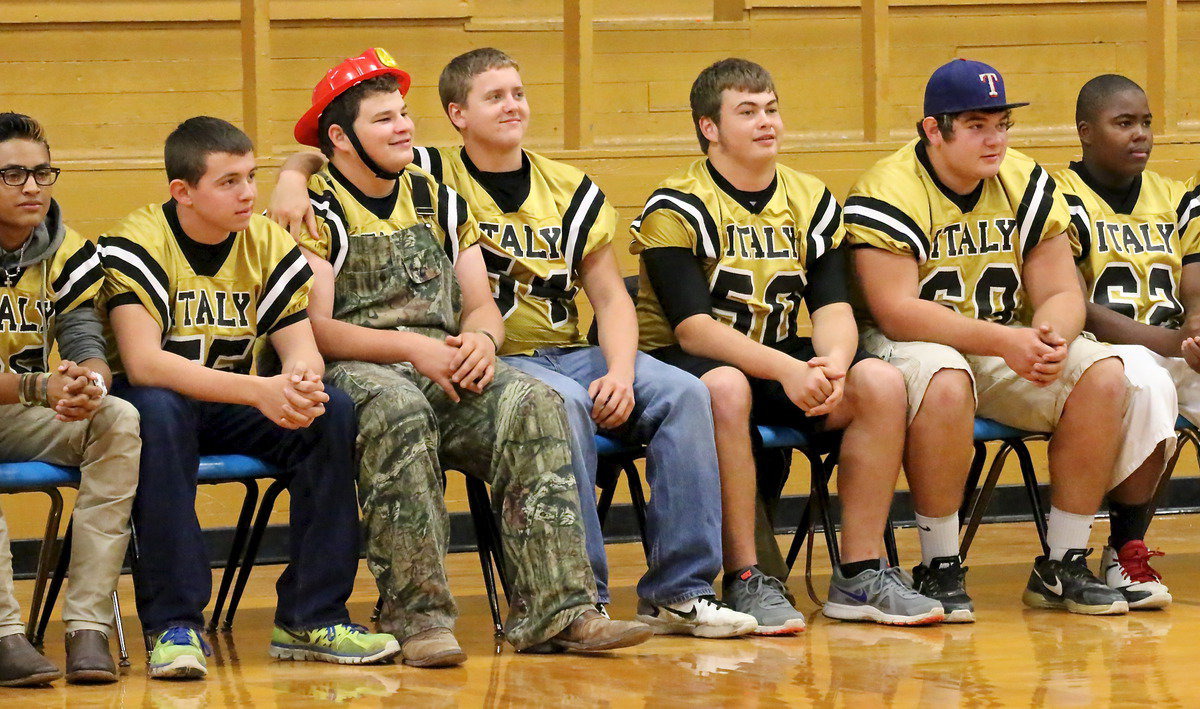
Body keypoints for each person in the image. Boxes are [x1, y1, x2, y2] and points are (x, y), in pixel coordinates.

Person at [270, 47, 753, 639]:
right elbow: (312, 323)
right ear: (458, 114)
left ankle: (578, 609)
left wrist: (480, 335)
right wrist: (293, 174)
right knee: (417, 408)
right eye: (386, 118)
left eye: (403, 113)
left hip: (481, 359)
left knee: (568, 401)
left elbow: (487, 304)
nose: (403, 125)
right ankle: (420, 619)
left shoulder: (439, 196)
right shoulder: (346, 197)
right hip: (368, 368)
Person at [846, 59, 1173, 619]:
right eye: (976, 125)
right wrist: (1005, 342)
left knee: (1101, 370)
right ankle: (939, 564)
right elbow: (897, 312)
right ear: (933, 129)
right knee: (946, 380)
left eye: (1001, 123)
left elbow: (1062, 292)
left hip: (1001, 344)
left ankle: (1063, 561)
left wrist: (1052, 336)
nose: (994, 138)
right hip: (911, 347)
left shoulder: (1026, 179)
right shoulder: (889, 186)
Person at [630, 58, 943, 629]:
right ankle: (746, 578)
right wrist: (789, 373)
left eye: (771, 109)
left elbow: (833, 308)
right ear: (709, 128)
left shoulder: (810, 197)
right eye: (746, 112)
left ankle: (861, 572)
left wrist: (835, 366)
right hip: (687, 362)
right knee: (724, 387)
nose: (765, 122)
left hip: (773, 355)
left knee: (880, 381)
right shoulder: (675, 204)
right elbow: (693, 330)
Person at [99, 116, 398, 680]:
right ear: (182, 193)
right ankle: (174, 625)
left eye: (251, 176)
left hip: (237, 401)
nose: (248, 194)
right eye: (229, 182)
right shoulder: (135, 241)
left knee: (331, 412)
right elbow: (144, 363)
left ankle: (312, 616)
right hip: (159, 401)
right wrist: (263, 391)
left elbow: (300, 346)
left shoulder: (263, 239)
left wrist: (302, 384)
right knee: (155, 414)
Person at [0, 113, 139, 686]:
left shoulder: (70, 250)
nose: (32, 187)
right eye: (12, 175)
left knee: (119, 418)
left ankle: (88, 626)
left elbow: (85, 342)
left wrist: (89, 385)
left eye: (41, 173)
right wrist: (39, 386)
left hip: (28, 413)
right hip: (24, 398)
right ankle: (5, 635)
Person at [1056, 74, 1200, 608]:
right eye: (1124, 124)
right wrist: (1170, 343)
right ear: (1085, 132)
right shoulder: (1056, 197)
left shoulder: (1172, 196)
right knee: (1146, 380)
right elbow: (1072, 302)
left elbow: (1194, 279)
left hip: (1170, 343)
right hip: (1097, 353)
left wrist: (1196, 332)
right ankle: (1124, 549)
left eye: (1145, 123)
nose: (1140, 134)